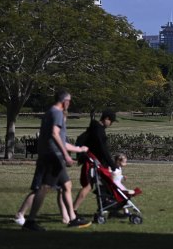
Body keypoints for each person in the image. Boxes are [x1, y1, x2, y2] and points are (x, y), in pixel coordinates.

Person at [21, 90, 92, 231]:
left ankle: (72, 218)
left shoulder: (50, 112)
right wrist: (66, 155)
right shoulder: (57, 113)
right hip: (53, 156)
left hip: (52, 154)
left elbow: (59, 138)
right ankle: (30, 221)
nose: (70, 104)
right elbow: (55, 134)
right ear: (64, 101)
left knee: (67, 185)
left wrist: (79, 149)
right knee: (44, 188)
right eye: (69, 101)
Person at [72, 110, 117, 213]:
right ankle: (73, 210)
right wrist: (112, 164)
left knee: (101, 185)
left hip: (95, 162)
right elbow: (102, 149)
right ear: (106, 119)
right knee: (88, 186)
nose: (111, 124)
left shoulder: (95, 128)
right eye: (111, 121)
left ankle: (106, 207)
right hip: (92, 163)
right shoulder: (98, 130)